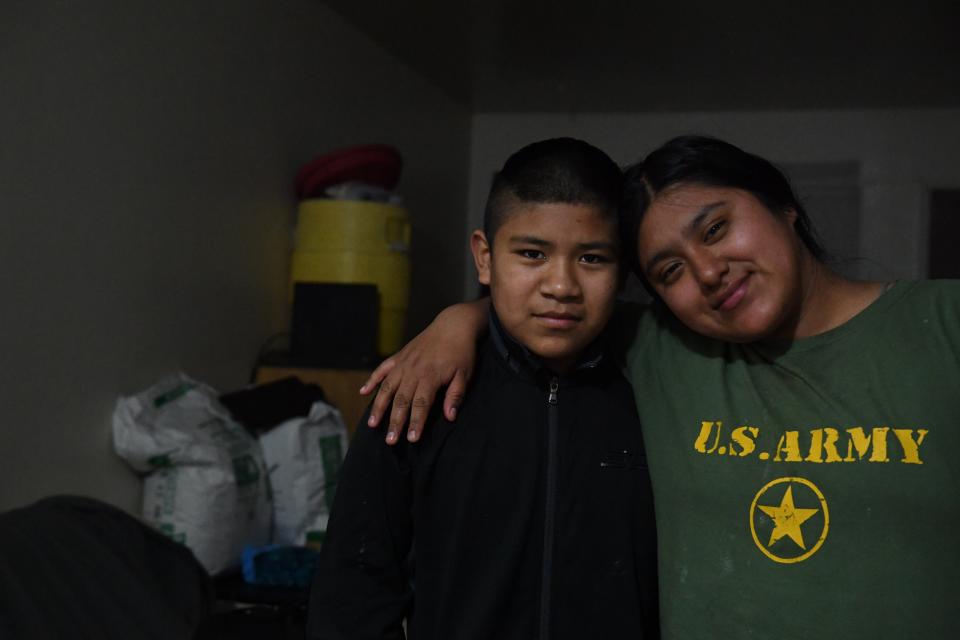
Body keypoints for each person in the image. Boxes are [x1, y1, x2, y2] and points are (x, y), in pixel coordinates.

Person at [360, 135, 960, 639]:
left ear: (783, 204)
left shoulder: (944, 326)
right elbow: (543, 309)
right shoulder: (665, 350)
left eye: (717, 227)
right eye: (669, 271)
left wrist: (457, 317)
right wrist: (456, 321)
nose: (707, 272)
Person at [307, 138, 659, 640]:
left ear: (624, 270)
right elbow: (353, 593)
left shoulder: (653, 390)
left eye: (592, 259)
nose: (561, 285)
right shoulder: (417, 391)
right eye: (533, 253)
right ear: (485, 257)